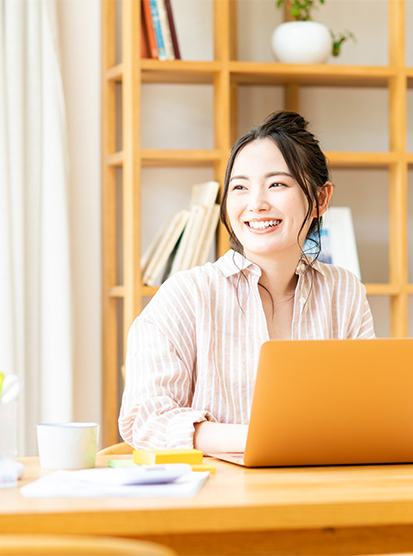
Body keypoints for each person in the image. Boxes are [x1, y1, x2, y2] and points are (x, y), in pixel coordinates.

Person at [118, 110, 375, 452]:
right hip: (218, 483)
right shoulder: (185, 295)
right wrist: (267, 439)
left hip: (320, 478)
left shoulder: (343, 291)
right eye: (240, 187)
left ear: (320, 199)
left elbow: (366, 409)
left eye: (277, 184)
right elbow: (146, 421)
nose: (256, 204)